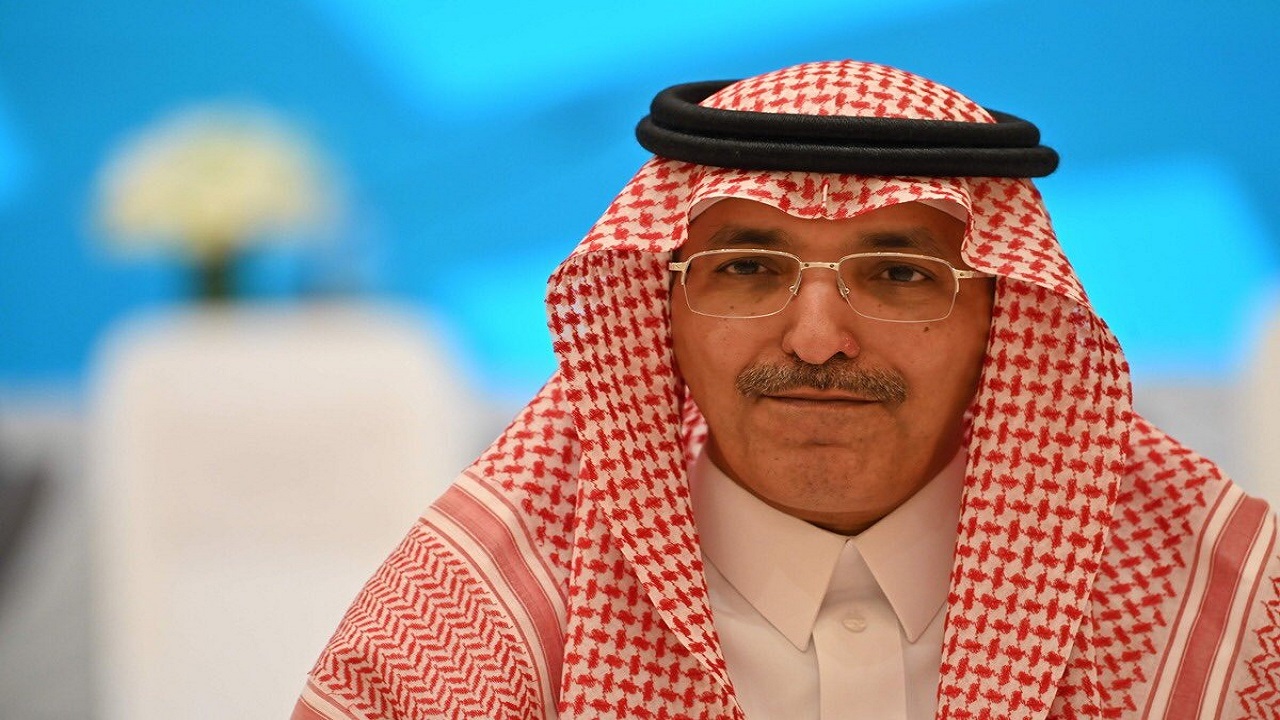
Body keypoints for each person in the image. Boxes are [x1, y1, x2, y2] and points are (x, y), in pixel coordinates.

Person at [292, 60, 1280, 719]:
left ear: (1000, 318)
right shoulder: (485, 621)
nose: (815, 341)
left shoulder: (1219, 612)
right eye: (746, 270)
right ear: (661, 311)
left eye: (899, 275)